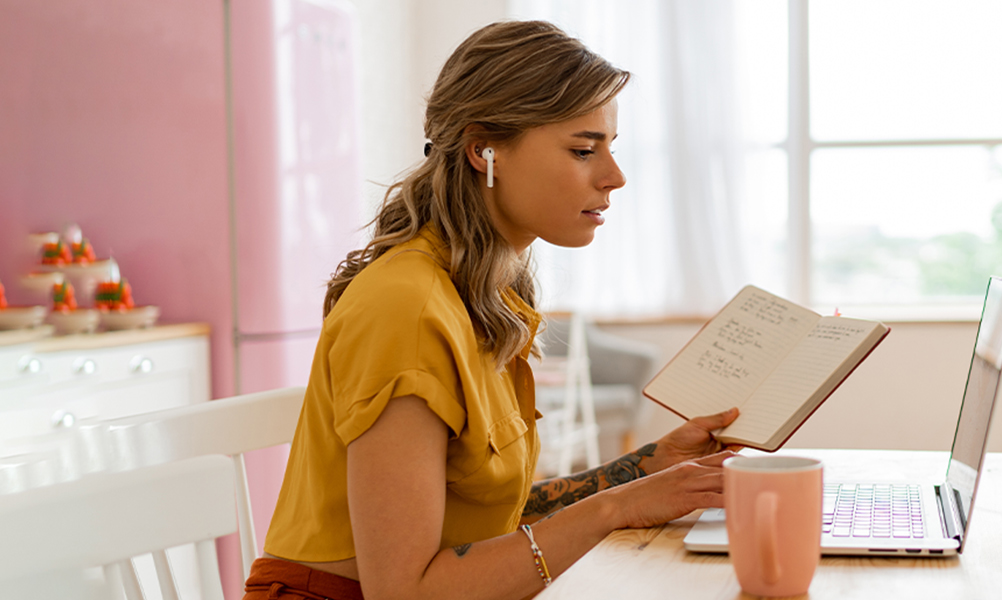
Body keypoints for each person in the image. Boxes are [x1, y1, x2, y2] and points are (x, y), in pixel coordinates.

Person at [244, 20, 739, 600]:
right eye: (584, 149)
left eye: (610, 147)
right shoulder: (407, 308)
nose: (614, 176)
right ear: (484, 150)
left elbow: (481, 520)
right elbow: (405, 591)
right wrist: (617, 508)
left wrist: (645, 468)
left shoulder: (481, 293)